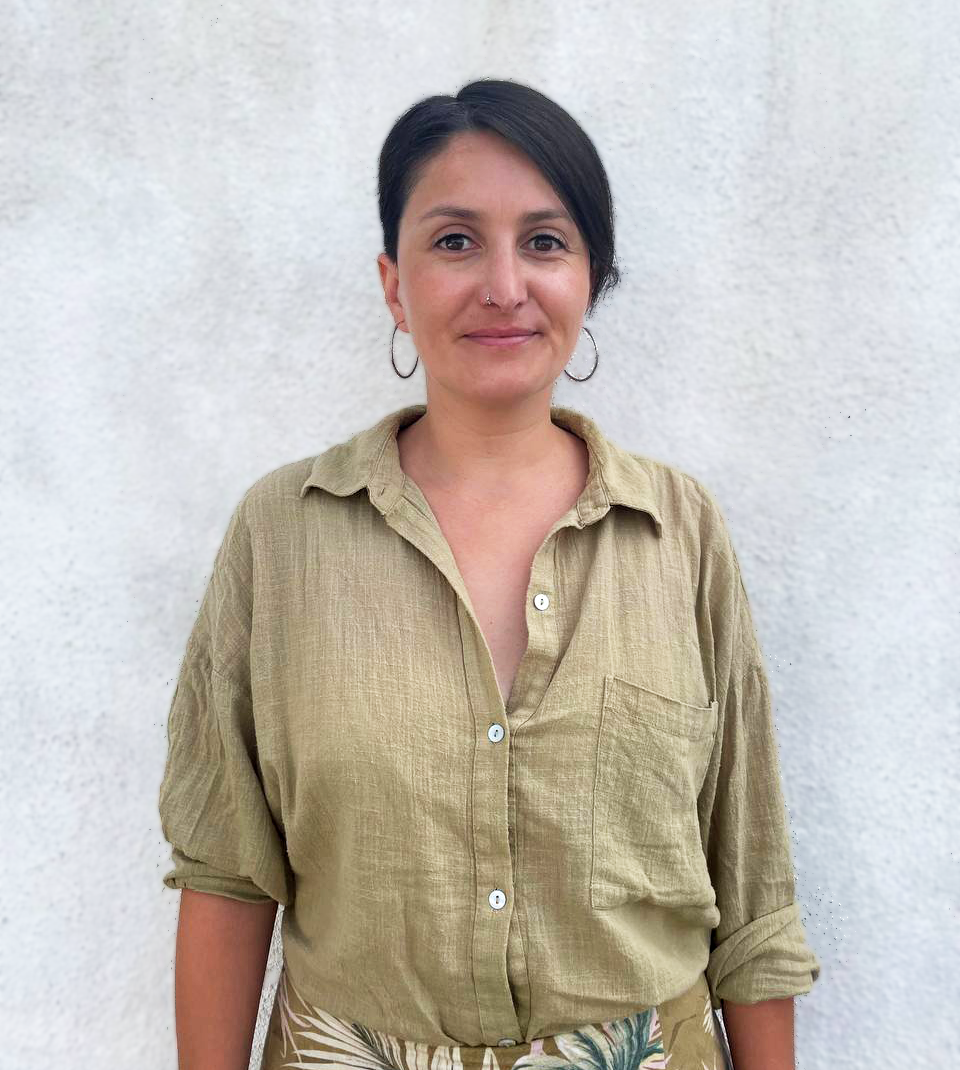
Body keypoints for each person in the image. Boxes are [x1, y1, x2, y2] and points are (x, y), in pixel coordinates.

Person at [158, 78, 821, 1070]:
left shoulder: (679, 532)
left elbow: (752, 880)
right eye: (456, 240)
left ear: (590, 278)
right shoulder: (282, 534)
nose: (504, 285)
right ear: (394, 283)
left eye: (545, 242)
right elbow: (227, 868)